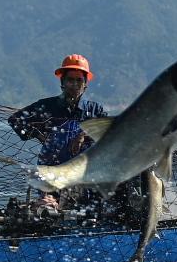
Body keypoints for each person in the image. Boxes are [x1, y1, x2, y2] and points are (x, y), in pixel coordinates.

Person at [8, 54, 106, 211]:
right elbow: (15, 120)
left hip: (86, 176)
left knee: (91, 210)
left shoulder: (94, 110)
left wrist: (83, 135)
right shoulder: (46, 107)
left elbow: (109, 134)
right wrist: (39, 134)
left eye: (79, 80)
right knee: (50, 207)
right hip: (52, 173)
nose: (74, 84)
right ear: (62, 82)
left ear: (85, 84)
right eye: (70, 80)